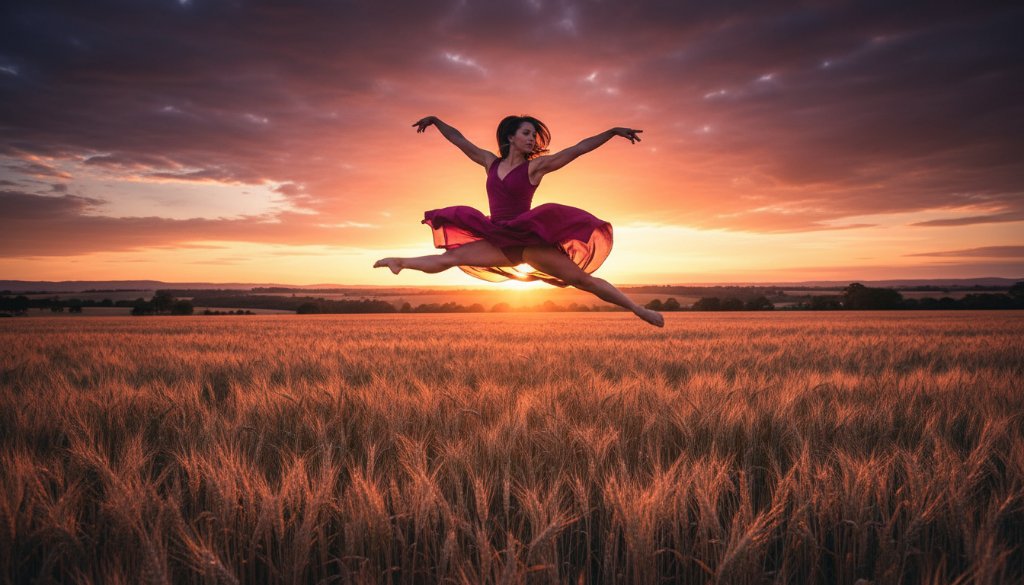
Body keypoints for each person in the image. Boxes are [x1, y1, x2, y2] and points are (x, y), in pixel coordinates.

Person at [374, 115, 664, 327]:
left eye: (534, 136)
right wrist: (437, 122)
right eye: (526, 133)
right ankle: (400, 262)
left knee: (580, 280)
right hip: (498, 237)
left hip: (525, 239)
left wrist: (611, 131)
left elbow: (577, 149)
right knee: (452, 257)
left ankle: (638, 309)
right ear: (510, 137)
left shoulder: (535, 167)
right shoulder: (490, 162)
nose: (532, 139)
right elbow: (460, 141)